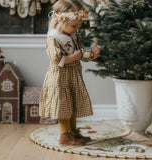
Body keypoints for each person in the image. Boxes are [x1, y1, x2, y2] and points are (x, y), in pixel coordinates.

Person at [39, 0, 100, 146]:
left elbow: (80, 53)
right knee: (64, 107)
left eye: (78, 25)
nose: (77, 28)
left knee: (71, 106)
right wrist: (75, 57)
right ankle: (64, 135)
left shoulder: (72, 35)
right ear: (60, 21)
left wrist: (91, 54)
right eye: (74, 25)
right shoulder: (53, 38)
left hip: (72, 76)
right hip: (60, 77)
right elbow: (56, 59)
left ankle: (72, 131)